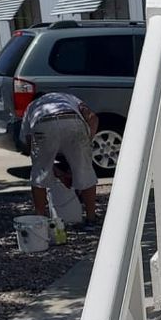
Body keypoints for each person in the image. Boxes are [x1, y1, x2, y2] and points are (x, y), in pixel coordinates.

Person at [21, 89, 101, 228]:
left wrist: (53, 170)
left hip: (43, 123)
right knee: (86, 173)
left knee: (39, 174)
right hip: (72, 120)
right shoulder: (69, 98)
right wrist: (87, 142)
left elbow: (31, 148)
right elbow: (93, 118)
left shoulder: (32, 106)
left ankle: (40, 221)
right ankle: (91, 219)